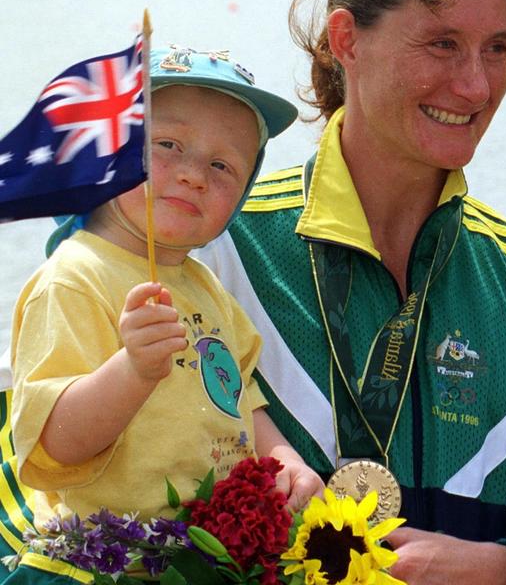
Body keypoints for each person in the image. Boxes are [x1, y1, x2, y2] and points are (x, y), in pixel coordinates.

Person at [195, 0, 506, 585]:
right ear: (347, 40)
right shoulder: (224, 254)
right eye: (442, 44)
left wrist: (504, 568)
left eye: (497, 48)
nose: (475, 85)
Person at [7, 47, 323, 583]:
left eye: (223, 166)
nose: (194, 175)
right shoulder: (75, 277)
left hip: (204, 556)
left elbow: (239, 396)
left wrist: (284, 460)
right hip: (106, 562)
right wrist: (131, 371)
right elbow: (51, 445)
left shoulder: (205, 288)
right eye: (168, 146)